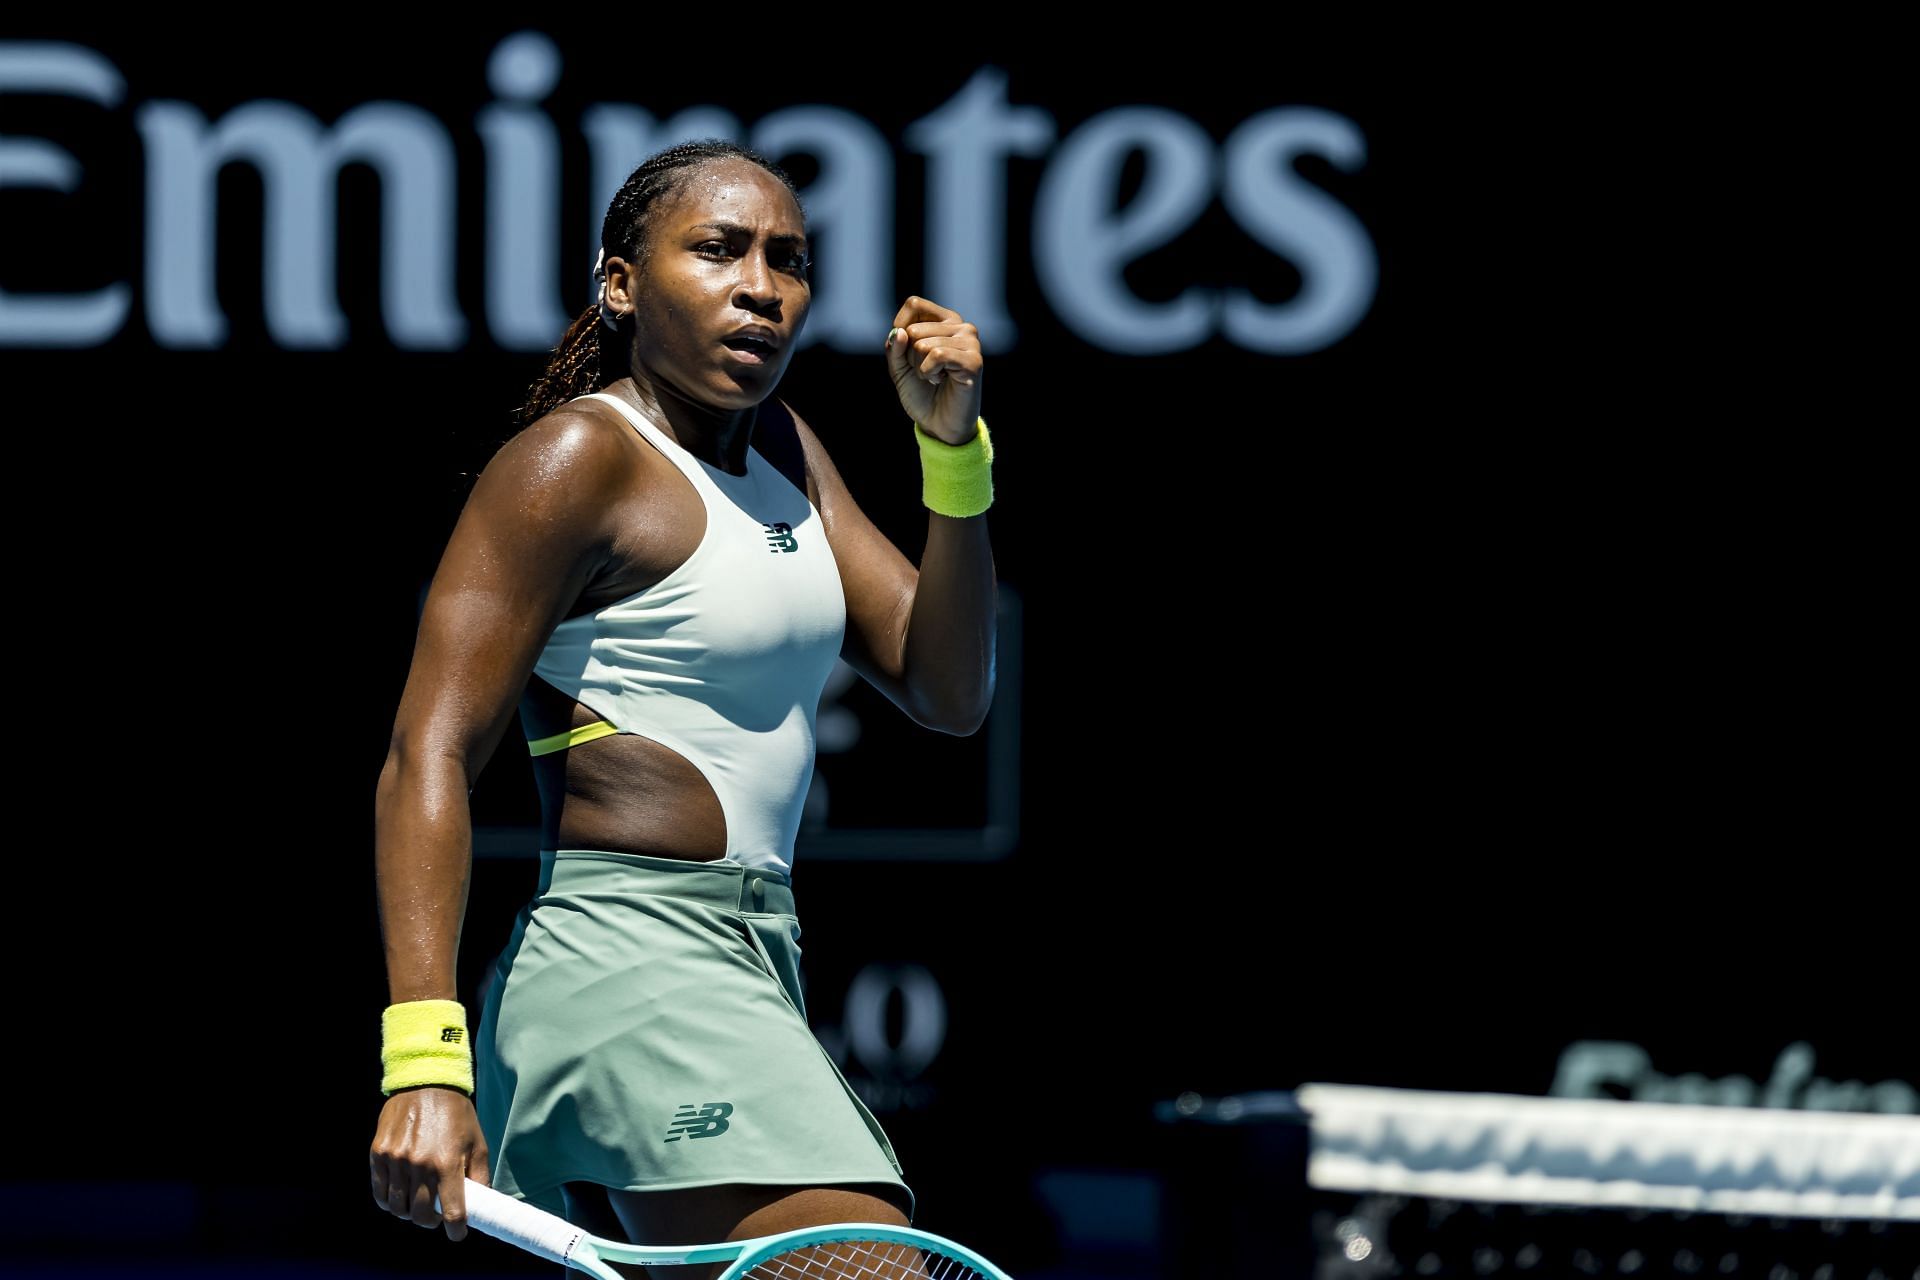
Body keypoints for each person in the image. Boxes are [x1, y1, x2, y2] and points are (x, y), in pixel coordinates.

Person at [367, 137, 997, 1277]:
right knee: (866, 1266)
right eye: (718, 250)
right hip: (629, 963)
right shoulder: (574, 461)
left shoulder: (791, 455)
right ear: (620, 284)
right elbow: (429, 755)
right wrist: (422, 1058)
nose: (762, 282)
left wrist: (951, 452)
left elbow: (949, 689)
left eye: (789, 258)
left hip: (752, 955)